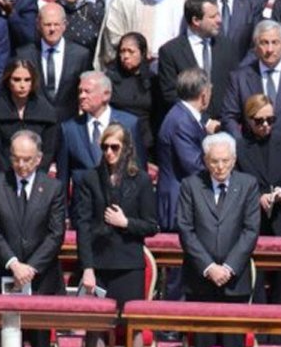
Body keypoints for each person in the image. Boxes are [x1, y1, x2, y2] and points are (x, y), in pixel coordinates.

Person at [75, 123, 159, 347]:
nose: (109, 153)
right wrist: (87, 267)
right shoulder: (89, 178)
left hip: (128, 262)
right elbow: (83, 226)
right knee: (95, 327)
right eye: (105, 147)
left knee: (132, 328)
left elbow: (151, 225)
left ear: (126, 149)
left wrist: (125, 223)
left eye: (115, 147)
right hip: (98, 263)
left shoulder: (141, 180)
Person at [0, 130, 66, 347]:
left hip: (40, 276)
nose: (21, 165)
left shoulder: (53, 188)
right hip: (7, 273)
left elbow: (56, 234)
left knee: (40, 338)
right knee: (10, 334)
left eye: (28, 160)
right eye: (17, 159)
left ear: (39, 158)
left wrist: (31, 267)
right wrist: (13, 263)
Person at [177, 132, 260, 347]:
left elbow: (250, 230)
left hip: (235, 281)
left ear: (234, 160)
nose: (220, 167)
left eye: (225, 161)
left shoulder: (247, 185)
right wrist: (209, 267)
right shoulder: (191, 185)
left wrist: (229, 267)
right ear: (205, 160)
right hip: (201, 280)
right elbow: (185, 230)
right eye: (214, 161)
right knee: (204, 346)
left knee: (233, 346)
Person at [221, 19, 281, 146]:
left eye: (275, 42)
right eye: (264, 43)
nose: (269, 49)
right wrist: (241, 146)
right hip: (253, 153)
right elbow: (229, 117)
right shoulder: (239, 78)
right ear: (256, 47)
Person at [56, 71, 146, 207]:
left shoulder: (129, 124)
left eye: (87, 91)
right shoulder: (68, 129)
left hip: (121, 208)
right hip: (83, 210)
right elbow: (63, 177)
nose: (82, 96)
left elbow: (139, 170)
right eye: (80, 91)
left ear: (106, 95)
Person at [158, 0, 238, 122]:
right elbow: (170, 95)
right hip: (187, 126)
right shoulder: (170, 51)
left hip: (223, 125)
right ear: (196, 20)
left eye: (218, 14)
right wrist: (204, 121)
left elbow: (234, 86)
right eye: (212, 17)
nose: (219, 20)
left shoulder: (227, 46)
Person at [157, 68, 216, 234]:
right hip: (179, 204)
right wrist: (222, 168)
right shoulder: (182, 121)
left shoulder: (184, 117)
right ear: (204, 94)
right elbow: (194, 165)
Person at [14, 1, 93, 122]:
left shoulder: (81, 55)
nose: (52, 29)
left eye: (56, 24)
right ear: (38, 25)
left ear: (64, 25)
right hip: (35, 122)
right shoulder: (24, 54)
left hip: (68, 123)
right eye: (47, 24)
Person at [236, 93, 281, 237]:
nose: (266, 125)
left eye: (270, 120)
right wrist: (258, 197)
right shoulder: (238, 148)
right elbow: (236, 185)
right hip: (251, 220)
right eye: (259, 121)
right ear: (249, 120)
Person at [0, 59, 59, 176]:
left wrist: (35, 179)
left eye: (27, 80)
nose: (22, 85)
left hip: (37, 177)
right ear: (8, 81)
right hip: (4, 177)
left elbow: (48, 151)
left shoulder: (47, 112)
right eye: (16, 80)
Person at [107, 32, 159, 157]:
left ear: (142, 53)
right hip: (117, 140)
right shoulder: (111, 78)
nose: (125, 56)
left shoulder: (153, 80)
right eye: (122, 51)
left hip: (145, 142)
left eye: (131, 52)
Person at [98, 0, 188, 66]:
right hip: (133, 74)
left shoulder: (185, 1)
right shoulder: (123, 1)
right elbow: (113, 37)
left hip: (173, 72)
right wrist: (138, 51)